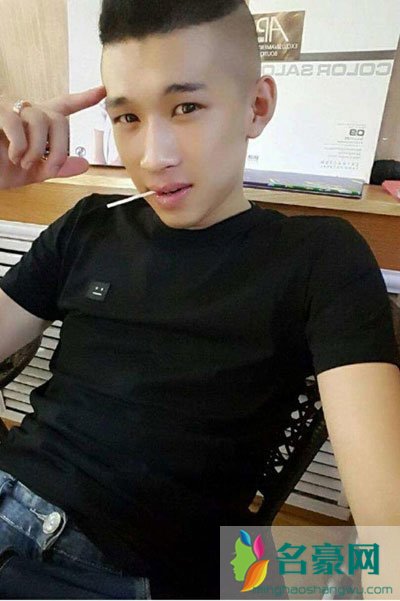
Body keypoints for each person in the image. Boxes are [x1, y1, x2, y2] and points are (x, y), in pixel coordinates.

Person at [0, 0, 400, 598]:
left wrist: (314, 580)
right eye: (128, 117)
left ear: (256, 106)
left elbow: (387, 529)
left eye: (185, 107)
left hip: (120, 572)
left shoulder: (319, 258)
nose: (153, 156)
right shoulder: (90, 225)